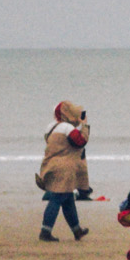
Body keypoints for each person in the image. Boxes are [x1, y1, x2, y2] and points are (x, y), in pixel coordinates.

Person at [38, 101, 91, 242]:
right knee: (56, 198)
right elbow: (81, 141)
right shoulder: (67, 128)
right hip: (65, 168)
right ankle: (45, 231)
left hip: (51, 164)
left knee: (67, 199)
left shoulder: (50, 127)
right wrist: (84, 126)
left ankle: (77, 230)